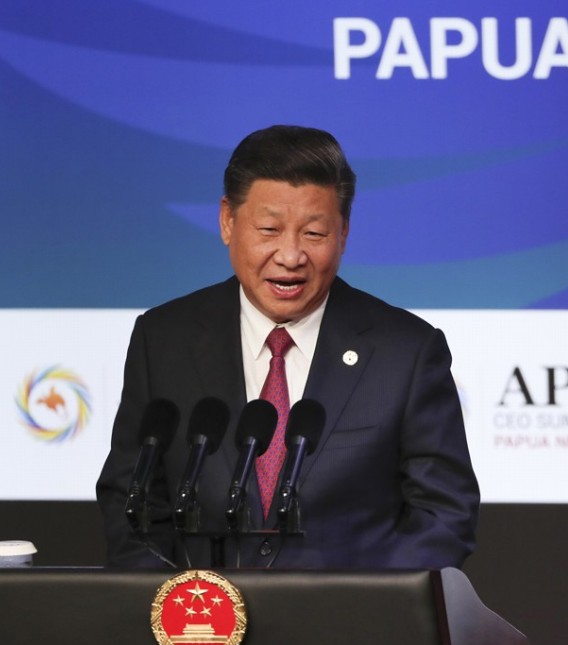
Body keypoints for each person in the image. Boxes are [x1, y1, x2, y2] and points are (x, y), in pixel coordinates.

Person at [96, 125, 479, 569]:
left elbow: (443, 515)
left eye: (314, 234)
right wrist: (185, 617)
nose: (291, 255)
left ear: (344, 233)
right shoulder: (163, 339)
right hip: (202, 631)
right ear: (227, 221)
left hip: (352, 631)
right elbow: (132, 502)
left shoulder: (406, 352)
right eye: (269, 229)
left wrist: (373, 611)